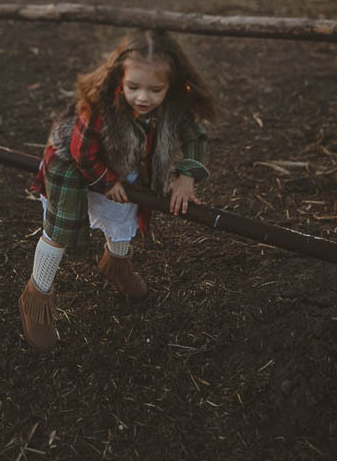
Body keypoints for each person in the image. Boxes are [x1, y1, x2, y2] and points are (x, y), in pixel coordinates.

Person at [19, 29, 216, 351]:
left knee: (124, 211)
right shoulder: (99, 105)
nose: (143, 97)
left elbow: (196, 139)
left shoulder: (174, 104)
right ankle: (36, 298)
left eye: (155, 89)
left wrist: (186, 176)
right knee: (61, 228)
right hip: (74, 163)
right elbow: (82, 152)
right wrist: (106, 181)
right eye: (133, 87)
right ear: (118, 78)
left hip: (123, 163)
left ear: (172, 85)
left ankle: (117, 264)